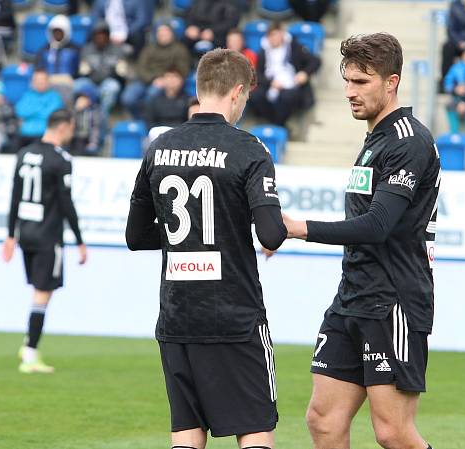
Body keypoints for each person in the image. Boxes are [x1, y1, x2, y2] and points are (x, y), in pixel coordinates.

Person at [283, 33, 440, 449]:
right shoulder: (376, 137)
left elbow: (377, 226)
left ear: (392, 82)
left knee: (392, 432)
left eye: (362, 82)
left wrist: (300, 228)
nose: (350, 92)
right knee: (323, 420)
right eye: (348, 81)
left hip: (393, 300)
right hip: (352, 296)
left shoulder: (408, 140)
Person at [125, 48, 286, 449]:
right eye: (246, 97)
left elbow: (134, 235)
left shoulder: (159, 149)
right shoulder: (250, 149)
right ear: (236, 92)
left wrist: (195, 236)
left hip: (177, 315)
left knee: (187, 430)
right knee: (254, 427)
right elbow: (271, 234)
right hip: (235, 315)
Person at [3, 108, 87, 374]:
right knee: (43, 293)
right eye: (72, 128)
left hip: (25, 232)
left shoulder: (24, 153)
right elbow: (66, 203)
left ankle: (29, 344)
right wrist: (80, 240)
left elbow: (15, 197)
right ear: (63, 127)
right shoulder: (60, 159)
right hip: (47, 235)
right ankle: (30, 352)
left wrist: (9, 235)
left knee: (39, 291)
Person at [249, 23, 321, 127]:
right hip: (270, 85)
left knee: (287, 97)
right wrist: (271, 83)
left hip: (292, 84)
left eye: (277, 35)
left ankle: (277, 126)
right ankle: (277, 125)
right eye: (272, 35)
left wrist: (305, 73)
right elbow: (258, 74)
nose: (275, 38)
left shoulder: (294, 48)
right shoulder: (263, 52)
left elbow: (315, 61)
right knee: (256, 96)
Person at [120, 24, 191, 119]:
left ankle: (148, 119)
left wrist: (165, 79)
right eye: (160, 33)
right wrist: (153, 79)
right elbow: (140, 68)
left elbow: (183, 70)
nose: (163, 35)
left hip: (166, 81)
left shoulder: (180, 49)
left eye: (166, 33)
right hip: (145, 80)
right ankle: (138, 118)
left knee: (151, 95)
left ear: (172, 34)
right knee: (128, 97)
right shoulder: (148, 49)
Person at [75, 22, 129, 130]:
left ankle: (102, 118)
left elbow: (123, 76)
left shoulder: (118, 50)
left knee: (111, 87)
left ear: (108, 36)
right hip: (91, 83)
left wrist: (119, 72)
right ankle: (77, 119)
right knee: (76, 85)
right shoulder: (86, 49)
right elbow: (80, 73)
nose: (100, 37)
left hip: (108, 82)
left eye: (103, 35)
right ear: (93, 36)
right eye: (97, 35)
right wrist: (83, 70)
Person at [15, 70, 65, 150]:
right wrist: (41, 108)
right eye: (37, 80)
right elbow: (20, 111)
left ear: (48, 81)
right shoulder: (27, 95)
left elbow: (53, 114)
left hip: (46, 136)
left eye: (43, 80)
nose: (40, 82)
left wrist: (32, 111)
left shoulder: (55, 97)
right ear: (33, 82)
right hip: (26, 135)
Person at [70, 86, 101, 156]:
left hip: (87, 138)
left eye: (85, 98)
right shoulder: (73, 109)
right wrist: (77, 110)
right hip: (74, 138)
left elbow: (95, 128)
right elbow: (70, 123)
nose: (82, 100)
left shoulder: (94, 111)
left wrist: (93, 142)